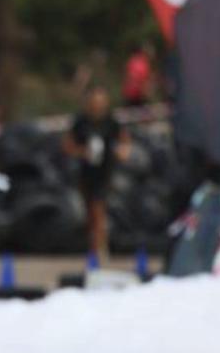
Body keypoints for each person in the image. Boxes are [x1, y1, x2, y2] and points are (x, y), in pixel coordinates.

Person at [62, 85, 131, 264]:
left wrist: (122, 152)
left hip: (105, 172)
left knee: (99, 208)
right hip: (86, 172)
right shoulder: (81, 122)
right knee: (89, 212)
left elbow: (124, 141)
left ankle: (100, 248)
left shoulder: (111, 122)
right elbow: (68, 145)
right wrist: (81, 152)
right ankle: (93, 244)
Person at [122, 42, 156, 107]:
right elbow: (143, 82)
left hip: (130, 95)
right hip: (136, 96)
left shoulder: (132, 60)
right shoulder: (143, 63)